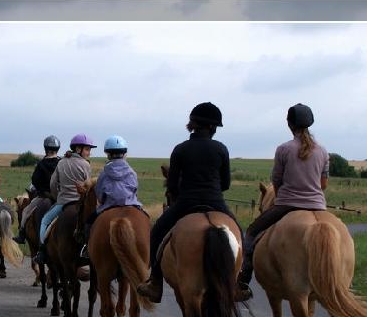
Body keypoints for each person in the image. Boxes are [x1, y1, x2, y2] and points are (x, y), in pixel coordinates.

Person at [137, 102, 238, 304]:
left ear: (193, 125)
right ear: (212, 127)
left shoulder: (181, 149)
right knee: (239, 234)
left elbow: (172, 185)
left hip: (185, 203)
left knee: (157, 232)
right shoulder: (221, 149)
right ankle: (238, 281)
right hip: (216, 202)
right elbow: (225, 183)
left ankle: (155, 282)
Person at [235, 103, 329, 301]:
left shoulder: (283, 149)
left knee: (251, 232)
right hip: (319, 205)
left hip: (287, 204)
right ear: (310, 124)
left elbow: (276, 182)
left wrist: (283, 197)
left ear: (289, 125)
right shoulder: (323, 151)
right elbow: (323, 184)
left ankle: (243, 280)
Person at [33, 133, 95, 264]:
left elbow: (53, 184)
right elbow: (88, 187)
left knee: (45, 221)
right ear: (78, 149)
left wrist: (57, 197)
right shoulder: (86, 165)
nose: (89, 152)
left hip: (63, 203)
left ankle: (42, 251)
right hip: (80, 203)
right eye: (87, 149)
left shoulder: (61, 163)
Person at [78, 135, 142, 259]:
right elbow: (135, 190)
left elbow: (100, 195)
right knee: (146, 220)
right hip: (131, 205)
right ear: (124, 153)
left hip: (108, 207)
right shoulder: (132, 172)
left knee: (89, 223)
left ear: (108, 154)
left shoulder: (104, 173)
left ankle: (87, 247)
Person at [13, 135, 61, 244]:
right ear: (58, 148)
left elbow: (35, 181)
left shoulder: (41, 164)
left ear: (45, 148)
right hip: (60, 196)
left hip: (43, 196)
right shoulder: (61, 162)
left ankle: (21, 235)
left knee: (25, 212)